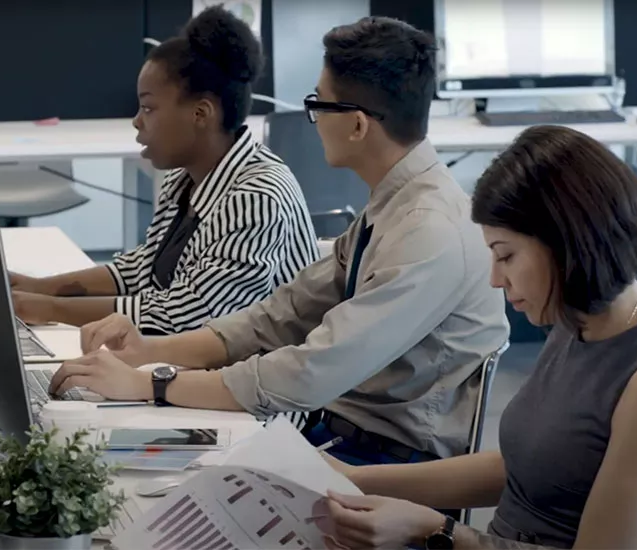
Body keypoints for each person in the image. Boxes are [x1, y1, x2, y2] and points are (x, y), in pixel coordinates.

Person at [48, 16, 508, 465]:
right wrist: (149, 352)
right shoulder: (393, 205)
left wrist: (153, 384)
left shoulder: (428, 232)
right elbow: (277, 317)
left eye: (318, 105)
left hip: (380, 465)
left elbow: (308, 372)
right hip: (329, 436)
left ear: (358, 125)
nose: (312, 119)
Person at [308, 126, 637, 550]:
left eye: (506, 255)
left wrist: (434, 531)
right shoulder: (580, 322)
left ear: (564, 242)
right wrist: (356, 481)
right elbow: (522, 469)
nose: (497, 278)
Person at [10, 6, 318, 334]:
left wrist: (52, 309)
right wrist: (39, 288)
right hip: (196, 365)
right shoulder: (183, 178)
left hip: (262, 376)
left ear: (201, 114)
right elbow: (144, 270)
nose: (136, 121)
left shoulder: (256, 196)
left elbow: (187, 315)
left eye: (148, 107)